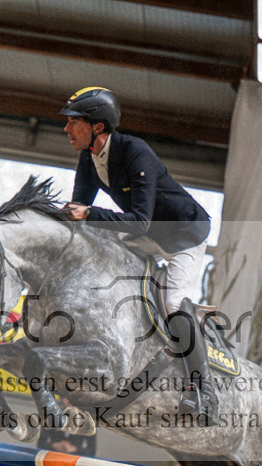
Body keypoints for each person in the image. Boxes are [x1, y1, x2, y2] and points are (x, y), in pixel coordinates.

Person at [58, 86, 217, 420]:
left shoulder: (135, 152)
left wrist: (87, 215)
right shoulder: (89, 157)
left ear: (97, 127)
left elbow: (139, 222)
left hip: (182, 237)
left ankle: (203, 390)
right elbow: (80, 211)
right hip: (147, 233)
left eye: (74, 122)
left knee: (173, 303)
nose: (66, 128)